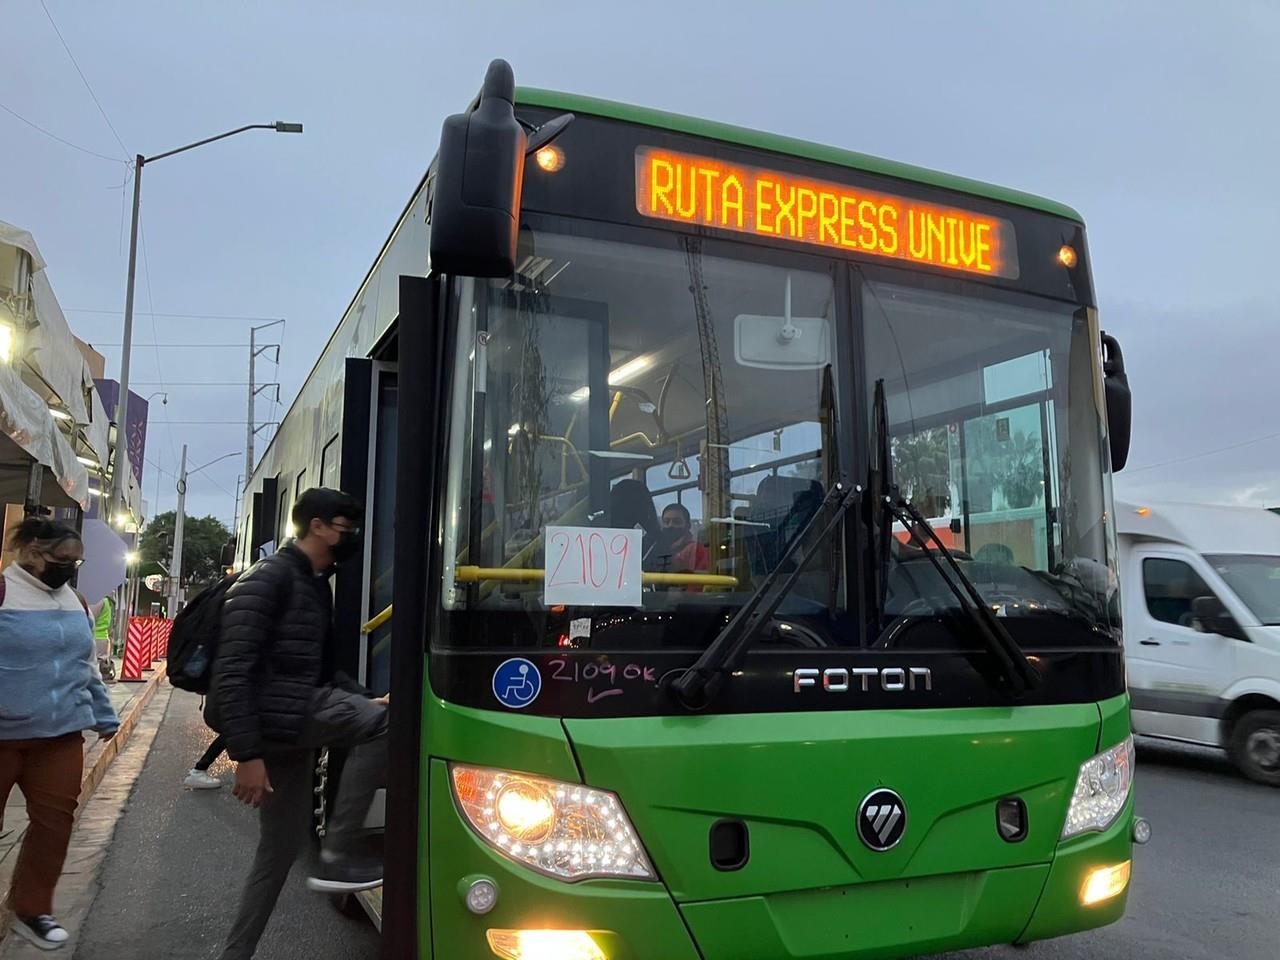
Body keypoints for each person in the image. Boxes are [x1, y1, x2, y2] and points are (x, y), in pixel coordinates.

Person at [207, 488, 386, 960]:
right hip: (276, 722)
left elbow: (323, 673)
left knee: (279, 850)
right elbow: (232, 674)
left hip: (289, 723)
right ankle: (338, 853)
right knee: (383, 726)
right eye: (345, 529)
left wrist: (367, 698)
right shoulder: (269, 580)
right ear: (318, 526)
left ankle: (235, 954)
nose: (351, 538)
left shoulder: (311, 582)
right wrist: (246, 755)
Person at [0, 518, 119, 950]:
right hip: (3, 735)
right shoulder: (3, 592)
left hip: (61, 733)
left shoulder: (76, 601)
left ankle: (32, 909)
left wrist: (105, 715)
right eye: (61, 559)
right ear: (31, 551)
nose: (69, 568)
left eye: (76, 561)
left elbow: (84, 666)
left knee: (55, 825)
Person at [660, 502, 710, 574]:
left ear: (688, 526)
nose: (670, 525)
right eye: (666, 521)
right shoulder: (656, 548)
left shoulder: (697, 550)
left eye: (677, 522)